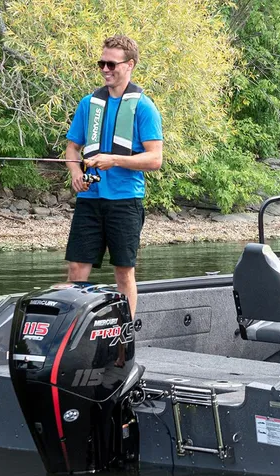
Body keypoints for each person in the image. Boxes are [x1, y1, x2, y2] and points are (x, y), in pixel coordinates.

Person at [64, 35, 163, 318]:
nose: (105, 69)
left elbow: (155, 159)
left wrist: (114, 159)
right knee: (76, 269)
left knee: (123, 272)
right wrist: (74, 171)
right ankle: (74, 331)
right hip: (90, 199)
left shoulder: (144, 107)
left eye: (111, 64)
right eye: (101, 63)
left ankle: (125, 332)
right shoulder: (89, 104)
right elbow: (73, 147)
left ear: (129, 65)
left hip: (125, 200)